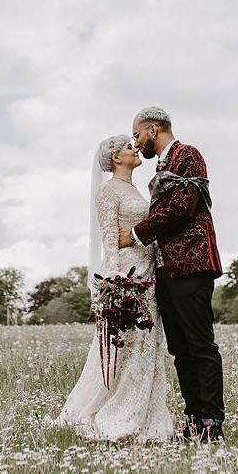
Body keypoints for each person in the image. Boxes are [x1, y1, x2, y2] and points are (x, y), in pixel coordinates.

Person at [55, 134, 173, 442]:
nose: (135, 149)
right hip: (128, 276)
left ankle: (148, 415)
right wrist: (117, 280)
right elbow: (109, 237)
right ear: (116, 158)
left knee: (147, 346)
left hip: (149, 273)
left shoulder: (135, 188)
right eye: (128, 147)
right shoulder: (107, 190)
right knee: (128, 347)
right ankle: (113, 412)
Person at [118, 106, 225, 442]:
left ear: (153, 129)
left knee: (200, 345)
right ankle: (192, 421)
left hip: (192, 265)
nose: (136, 144)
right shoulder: (160, 167)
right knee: (179, 349)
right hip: (166, 270)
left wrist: (135, 233)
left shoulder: (188, 154)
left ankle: (212, 425)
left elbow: (181, 206)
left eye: (137, 135)